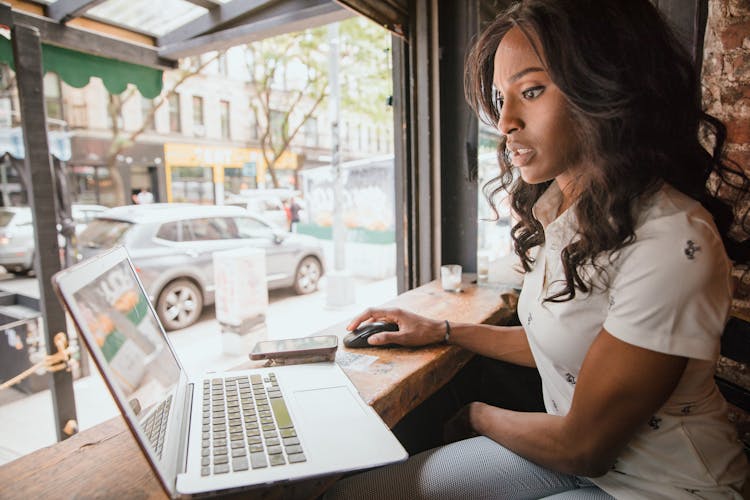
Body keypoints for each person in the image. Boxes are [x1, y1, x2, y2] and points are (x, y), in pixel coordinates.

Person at [324, 1, 750, 498]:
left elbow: (583, 446)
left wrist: (476, 416)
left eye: (531, 91)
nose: (505, 122)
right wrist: (443, 330)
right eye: (501, 98)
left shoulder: (673, 241)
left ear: (607, 88)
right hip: (577, 460)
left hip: (661, 487)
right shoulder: (569, 212)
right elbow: (566, 342)